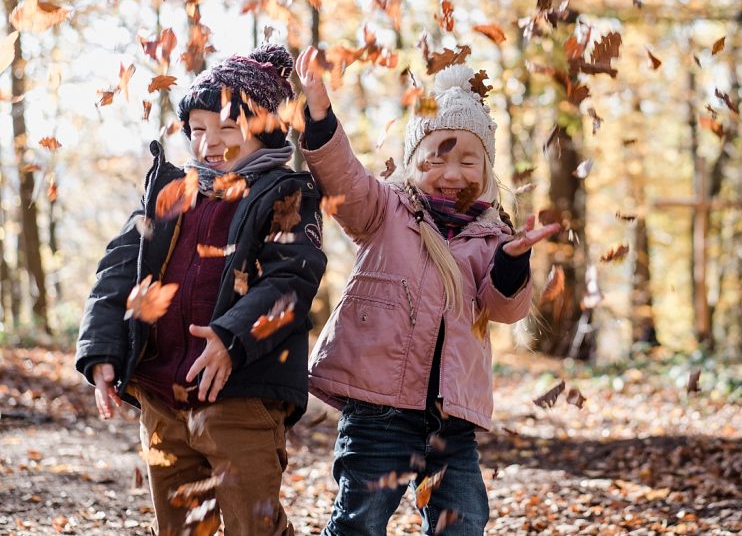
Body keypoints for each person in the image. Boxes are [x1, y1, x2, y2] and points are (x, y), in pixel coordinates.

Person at [295, 47, 560, 536]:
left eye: (468, 160)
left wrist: (513, 259)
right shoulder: (384, 210)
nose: (453, 173)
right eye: (438, 157)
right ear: (414, 161)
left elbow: (503, 309)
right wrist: (318, 111)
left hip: (451, 422)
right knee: (360, 523)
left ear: (487, 169)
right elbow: (343, 178)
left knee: (463, 523)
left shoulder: (491, 237)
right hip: (379, 411)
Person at [75, 44, 328, 536]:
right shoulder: (169, 194)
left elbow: (292, 280)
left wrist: (233, 337)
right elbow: (118, 269)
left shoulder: (286, 195)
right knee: (181, 523)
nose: (209, 142)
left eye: (229, 128)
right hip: (160, 391)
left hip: (242, 395)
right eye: (197, 129)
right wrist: (102, 348)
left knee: (250, 520)